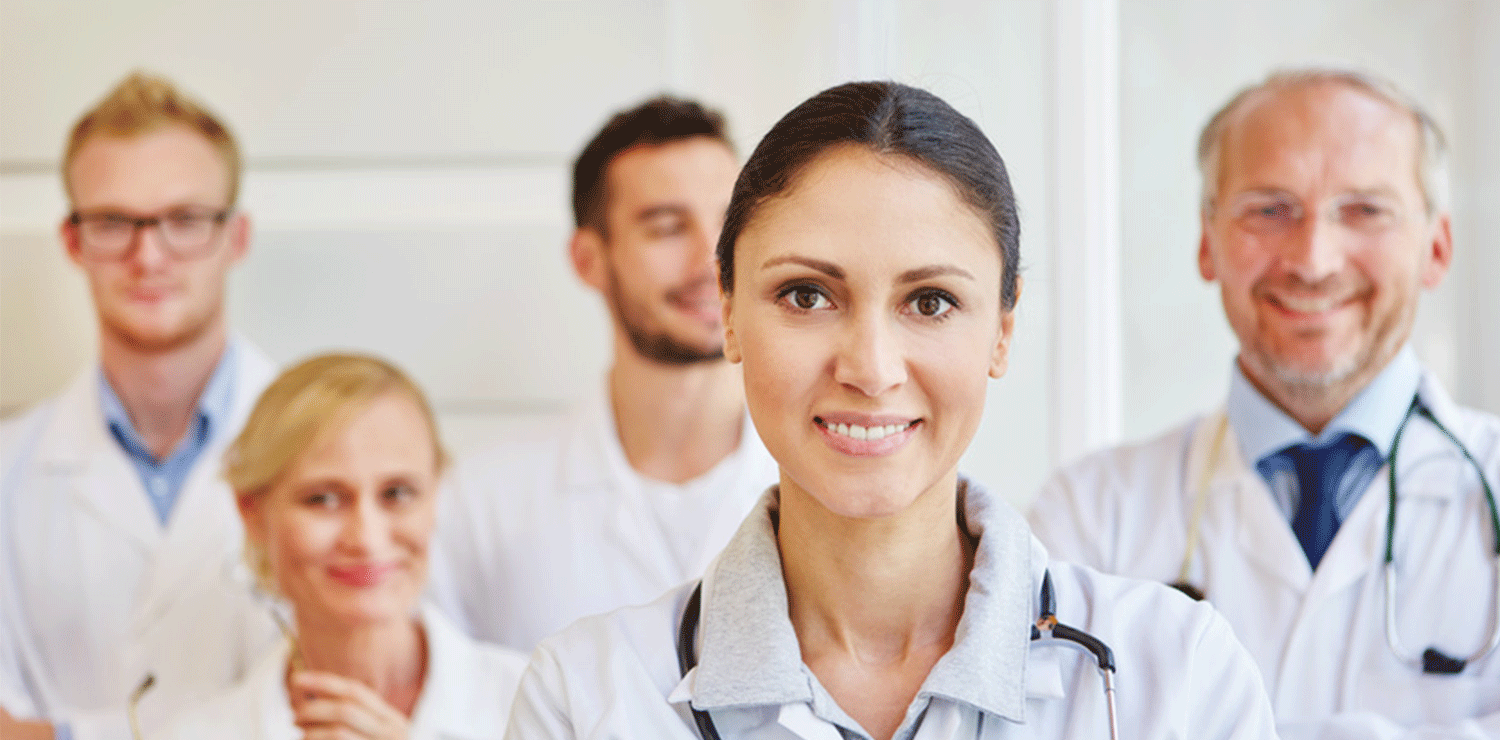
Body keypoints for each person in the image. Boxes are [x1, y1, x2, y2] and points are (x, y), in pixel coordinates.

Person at [504, 81, 1278, 740]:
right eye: (806, 295)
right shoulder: (586, 698)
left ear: (1002, 333)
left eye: (930, 302)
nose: (870, 369)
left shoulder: (1179, 674)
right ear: (729, 312)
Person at [1027, 67, 1500, 738]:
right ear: (1207, 242)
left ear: (1437, 247)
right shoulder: (1090, 518)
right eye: (1270, 210)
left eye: (1365, 211)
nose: (1313, 260)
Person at [430, 96, 777, 651]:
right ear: (588, 260)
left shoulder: (828, 481)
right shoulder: (481, 503)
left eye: (728, 222)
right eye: (667, 228)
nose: (712, 260)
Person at [0, 71, 278, 740]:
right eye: (113, 223)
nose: (148, 256)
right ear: (73, 242)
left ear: (237, 237)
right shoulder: (10, 469)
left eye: (185, 221)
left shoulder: (333, 457)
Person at [161, 354, 527, 740]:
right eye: (323, 499)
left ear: (435, 496)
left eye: (397, 493)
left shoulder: (541, 704)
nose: (366, 539)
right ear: (252, 511)